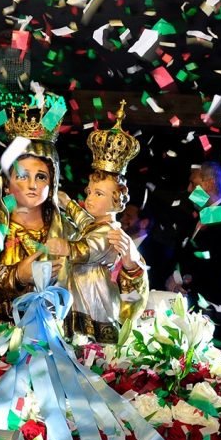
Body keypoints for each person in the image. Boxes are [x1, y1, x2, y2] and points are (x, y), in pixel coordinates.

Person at [0, 103, 148, 322]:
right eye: (22, 175)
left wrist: (131, 266)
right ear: (7, 183)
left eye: (41, 176)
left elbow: (111, 298)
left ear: (52, 183)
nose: (32, 185)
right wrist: (16, 276)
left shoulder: (73, 232)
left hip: (57, 346)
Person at [47, 102, 147, 342]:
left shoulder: (110, 232)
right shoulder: (96, 223)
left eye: (98, 194)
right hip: (80, 288)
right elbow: (84, 221)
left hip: (95, 293)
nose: (90, 198)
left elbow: (90, 249)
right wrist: (69, 203)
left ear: (116, 202)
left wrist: (67, 248)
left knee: (92, 339)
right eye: (90, 192)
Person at [165, 161, 221, 361]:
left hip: (215, 306)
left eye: (193, 184)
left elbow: (214, 257)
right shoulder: (201, 216)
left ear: (208, 184)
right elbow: (187, 251)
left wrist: (181, 276)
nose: (188, 190)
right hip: (194, 305)